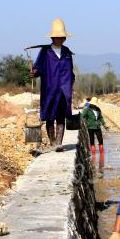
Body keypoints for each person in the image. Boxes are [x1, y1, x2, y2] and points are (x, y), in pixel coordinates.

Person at [30, 19, 75, 152]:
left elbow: (70, 70)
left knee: (61, 115)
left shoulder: (67, 52)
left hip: (64, 90)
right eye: (58, 37)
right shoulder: (45, 52)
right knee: (50, 115)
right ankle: (52, 142)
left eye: (63, 37)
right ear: (53, 37)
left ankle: (59, 144)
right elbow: (38, 68)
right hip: (49, 89)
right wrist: (34, 72)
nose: (61, 39)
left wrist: (71, 81)